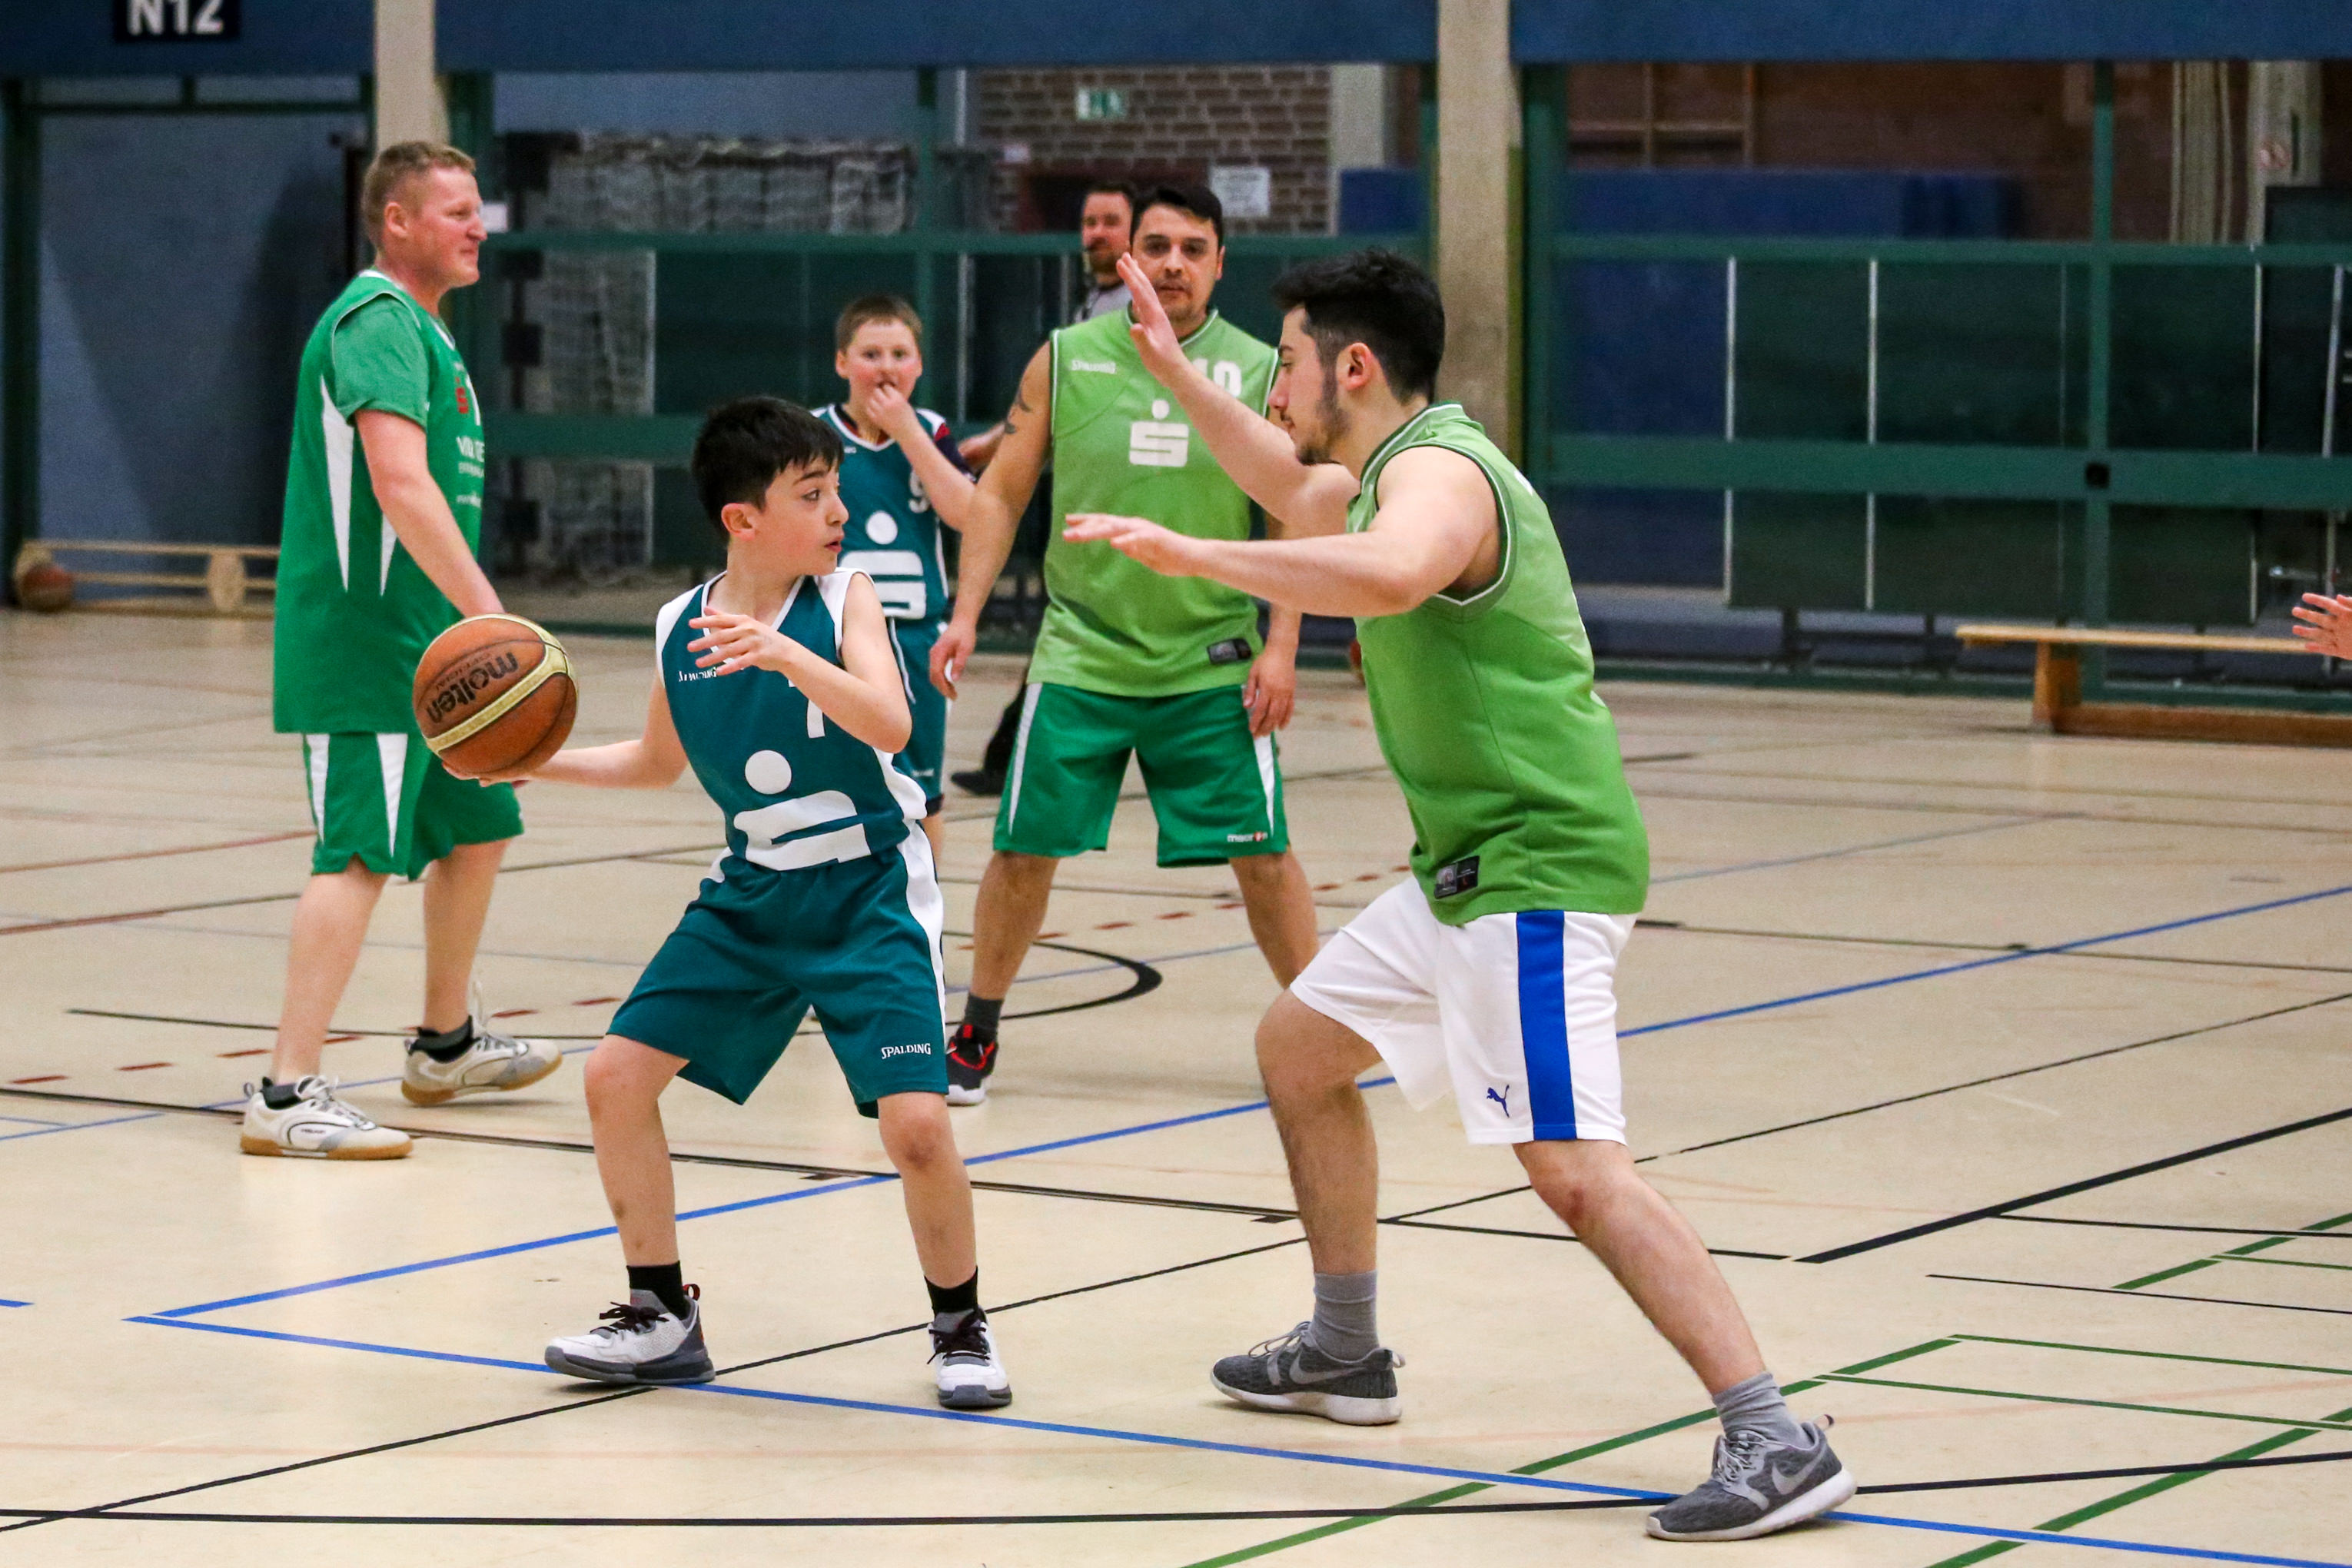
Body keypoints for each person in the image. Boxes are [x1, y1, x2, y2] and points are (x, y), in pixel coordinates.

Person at [1065, 247, 1855, 1543]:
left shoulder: (1439, 475)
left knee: (1575, 1172)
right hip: (1462, 872)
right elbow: (1288, 485)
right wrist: (1174, 371)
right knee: (1299, 1049)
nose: (1273, 389)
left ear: (1353, 367)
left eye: (1287, 363)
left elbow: (1387, 574)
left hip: (1534, 868)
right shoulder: (1385, 469)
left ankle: (1775, 1434)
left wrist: (1194, 554)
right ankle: (1345, 1348)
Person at [470, 397, 1010, 1409]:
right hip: (753, 894)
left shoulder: (845, 600)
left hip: (868, 890)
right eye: (813, 495)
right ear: (742, 519)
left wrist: (787, 654)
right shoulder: (680, 624)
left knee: (916, 1128)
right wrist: (534, 762)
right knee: (614, 1078)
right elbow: (655, 761)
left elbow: (893, 724)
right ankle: (660, 1313)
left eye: (836, 489)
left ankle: (960, 1325)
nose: (838, 510)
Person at [928, 184, 1322, 1107]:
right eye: (1158, 246)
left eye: (1195, 248)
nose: (1175, 263)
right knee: (1023, 850)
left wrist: (1282, 645)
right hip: (1083, 650)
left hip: (1212, 657)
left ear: (1220, 264)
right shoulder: (1066, 358)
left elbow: (1293, 514)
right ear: (1128, 260)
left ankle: (1322, 1027)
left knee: (1265, 856)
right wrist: (965, 611)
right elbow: (1001, 492)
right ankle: (977, 1029)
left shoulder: (1259, 370)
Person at [246, 141, 560, 1161]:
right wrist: (494, 619)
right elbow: (400, 482)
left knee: (480, 825)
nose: (478, 227)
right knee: (355, 856)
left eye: (480, 211)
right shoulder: (377, 320)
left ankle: (445, 1044)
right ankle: (286, 1092)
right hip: (368, 647)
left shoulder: (428, 333)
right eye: (457, 211)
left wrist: (467, 632)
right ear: (397, 222)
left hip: (432, 652)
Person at [952, 178, 1138, 796]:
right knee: (1070, 635)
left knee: (1075, 638)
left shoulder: (1137, 314)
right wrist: (997, 442)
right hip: (1083, 512)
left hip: (1128, 506)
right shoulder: (1092, 307)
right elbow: (1057, 401)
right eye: (1089, 222)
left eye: (1110, 222)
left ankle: (1019, 759)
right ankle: (1017, 758)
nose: (1097, 234)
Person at [819, 294, 977, 856]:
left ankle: (924, 906)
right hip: (832, 635)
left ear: (919, 365)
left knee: (922, 794)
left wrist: (908, 432)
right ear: (842, 363)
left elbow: (969, 515)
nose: (885, 367)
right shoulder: (813, 434)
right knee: (833, 785)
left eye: (899, 354)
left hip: (914, 637)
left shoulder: (930, 430)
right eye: (870, 354)